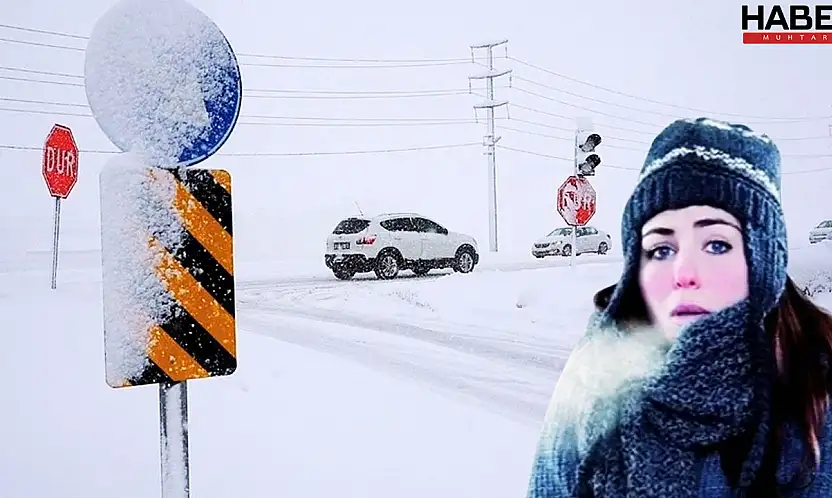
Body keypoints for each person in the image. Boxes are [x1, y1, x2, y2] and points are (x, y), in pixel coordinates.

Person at [526, 117, 832, 497]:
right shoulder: (595, 376)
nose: (684, 274)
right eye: (661, 249)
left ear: (764, 260)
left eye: (716, 245)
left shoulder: (817, 387)